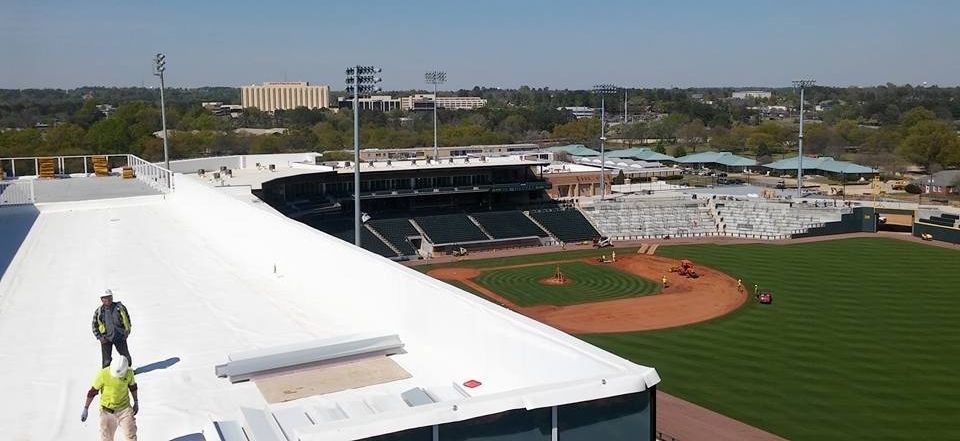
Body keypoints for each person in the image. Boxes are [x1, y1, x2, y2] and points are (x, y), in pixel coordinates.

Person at [81, 356, 139, 441]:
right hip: (107, 411)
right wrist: (86, 408)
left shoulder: (129, 372)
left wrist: (136, 401)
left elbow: (133, 387)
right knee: (106, 438)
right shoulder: (103, 374)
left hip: (125, 409)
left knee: (131, 436)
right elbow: (93, 392)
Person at [92, 289, 132, 368]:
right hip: (106, 338)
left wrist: (126, 332)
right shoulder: (99, 311)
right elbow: (94, 325)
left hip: (120, 336)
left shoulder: (120, 308)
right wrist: (100, 337)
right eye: (105, 298)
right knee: (106, 360)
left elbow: (127, 320)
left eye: (110, 297)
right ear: (102, 299)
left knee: (125, 357)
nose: (108, 299)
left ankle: (128, 371)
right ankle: (106, 376)